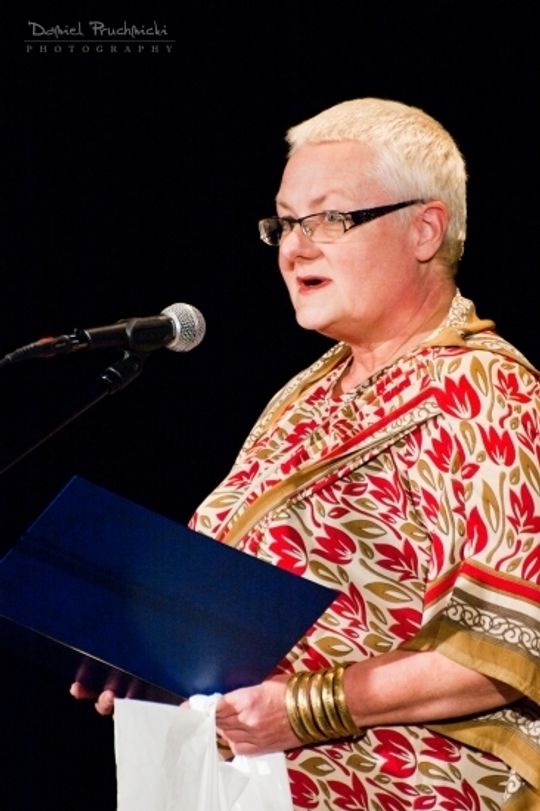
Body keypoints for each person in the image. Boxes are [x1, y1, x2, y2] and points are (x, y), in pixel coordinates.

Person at [72, 98, 540, 809]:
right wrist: (158, 661)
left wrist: (306, 706)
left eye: (330, 219)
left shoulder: (485, 388)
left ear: (424, 229)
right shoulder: (307, 391)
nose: (295, 248)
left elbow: (514, 642)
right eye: (286, 223)